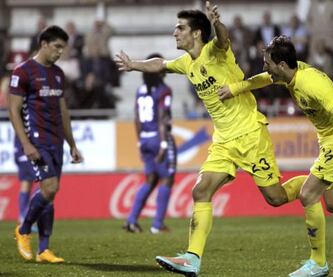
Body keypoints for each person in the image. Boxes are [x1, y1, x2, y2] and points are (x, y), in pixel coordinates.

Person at [115, 2, 315, 276]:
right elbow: (160, 64)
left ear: (196, 33)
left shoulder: (215, 52)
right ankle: (192, 258)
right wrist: (133, 64)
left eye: (180, 28)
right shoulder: (187, 63)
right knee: (200, 191)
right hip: (223, 140)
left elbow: (223, 39)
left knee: (276, 198)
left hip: (249, 135)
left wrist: (218, 22)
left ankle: (320, 181)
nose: (175, 33)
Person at [218, 35, 333, 277]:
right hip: (330, 139)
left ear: (282, 65)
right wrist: (235, 88)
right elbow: (262, 80)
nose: (265, 68)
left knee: (308, 194)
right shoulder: (289, 75)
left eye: (268, 63)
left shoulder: (310, 83)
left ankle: (318, 263)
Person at [9, 25, 83, 263]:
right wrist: (25, 144)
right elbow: (13, 110)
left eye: (63, 47)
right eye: (57, 47)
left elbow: (63, 111)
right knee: (50, 187)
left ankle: (44, 250)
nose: (60, 52)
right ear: (44, 44)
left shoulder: (58, 74)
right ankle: (23, 230)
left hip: (56, 140)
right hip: (36, 140)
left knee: (49, 194)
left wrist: (72, 144)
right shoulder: (23, 72)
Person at [123, 53, 177, 234]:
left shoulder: (140, 90)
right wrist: (163, 144)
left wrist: (139, 142)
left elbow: (137, 118)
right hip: (158, 138)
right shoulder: (164, 90)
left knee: (150, 179)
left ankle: (131, 220)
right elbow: (162, 118)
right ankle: (158, 224)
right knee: (167, 179)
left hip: (144, 138)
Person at [14, 136, 36, 226]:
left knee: (44, 182)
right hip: (25, 153)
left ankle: (25, 216)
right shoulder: (25, 124)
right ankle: (24, 217)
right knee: (26, 183)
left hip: (29, 150)